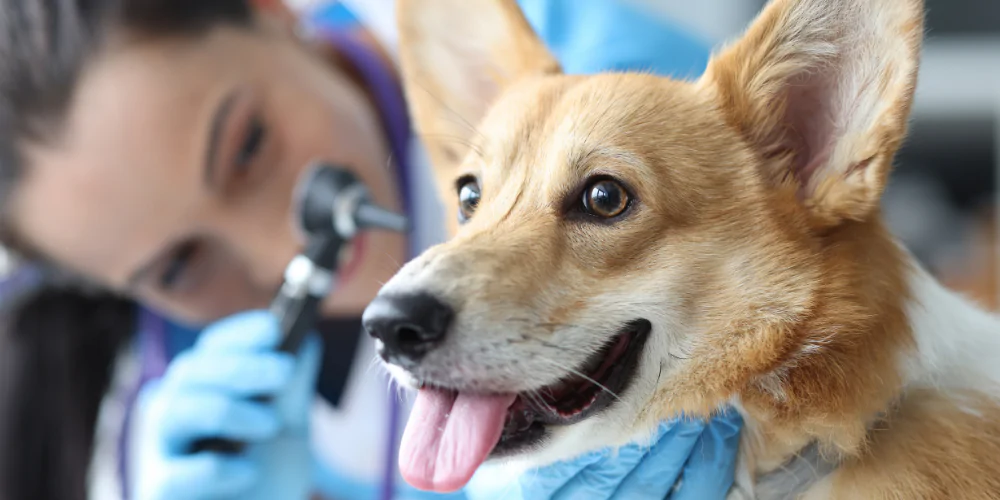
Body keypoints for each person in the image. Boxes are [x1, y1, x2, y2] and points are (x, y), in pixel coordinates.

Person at [0, 1, 743, 499]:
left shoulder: (626, 102)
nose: (281, 248)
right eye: (177, 265)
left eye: (249, 148)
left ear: (273, 12)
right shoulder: (173, 404)